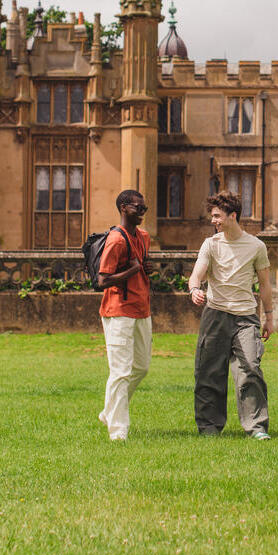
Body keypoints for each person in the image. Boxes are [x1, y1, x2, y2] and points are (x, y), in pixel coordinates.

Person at [189, 190, 273, 440]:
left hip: (246, 317)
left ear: (232, 215)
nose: (213, 221)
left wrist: (269, 316)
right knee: (209, 371)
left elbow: (265, 285)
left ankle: (256, 427)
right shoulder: (211, 244)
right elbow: (197, 273)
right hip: (215, 314)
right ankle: (209, 428)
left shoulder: (256, 246)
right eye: (212, 216)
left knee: (250, 368)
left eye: (217, 216)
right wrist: (194, 289)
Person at [97, 189, 154, 441]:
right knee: (120, 370)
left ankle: (110, 410)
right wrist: (130, 273)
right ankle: (118, 431)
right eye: (137, 208)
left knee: (141, 367)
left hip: (142, 309)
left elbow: (141, 265)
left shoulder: (143, 236)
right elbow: (102, 280)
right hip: (118, 310)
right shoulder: (116, 240)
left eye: (144, 209)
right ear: (123, 208)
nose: (141, 213)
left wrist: (145, 269)